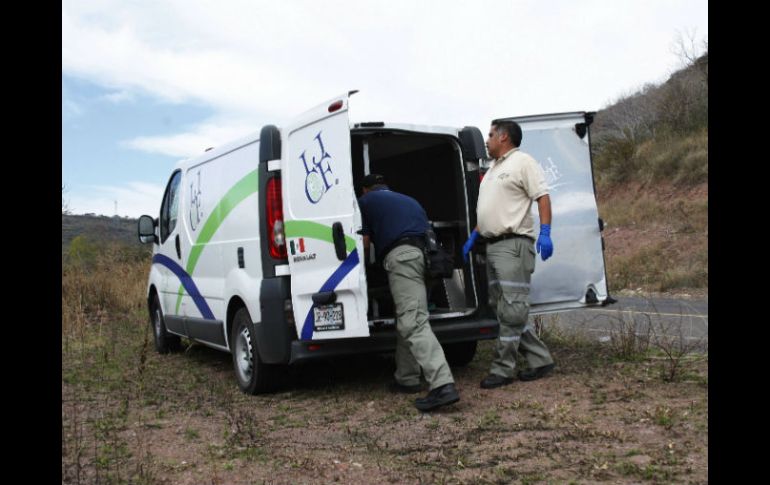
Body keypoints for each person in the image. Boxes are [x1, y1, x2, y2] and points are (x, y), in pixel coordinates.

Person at [462, 120, 556, 389]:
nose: (487, 139)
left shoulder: (522, 162)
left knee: (512, 309)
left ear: (503, 137)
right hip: (492, 245)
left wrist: (546, 231)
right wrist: (474, 235)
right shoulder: (493, 169)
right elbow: (493, 209)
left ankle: (503, 369)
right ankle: (540, 358)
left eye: (490, 135)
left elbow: (543, 196)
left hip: (513, 245)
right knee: (502, 308)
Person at [358, 173, 460, 411]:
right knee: (409, 315)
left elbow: (364, 241)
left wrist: (361, 270)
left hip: (403, 257)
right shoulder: (408, 199)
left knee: (412, 321)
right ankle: (407, 378)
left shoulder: (364, 203)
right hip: (428, 258)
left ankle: (442, 384)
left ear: (365, 190)